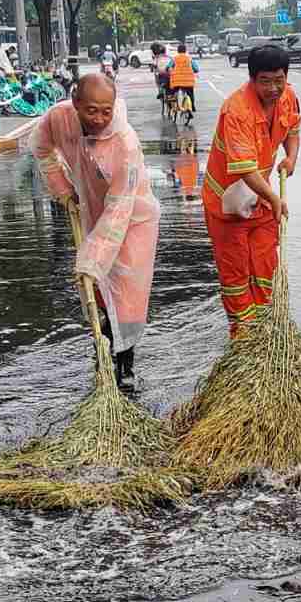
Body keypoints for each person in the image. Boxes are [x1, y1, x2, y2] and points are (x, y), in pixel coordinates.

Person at [31, 72, 161, 392]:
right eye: (91, 110)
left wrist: (91, 257)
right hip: (92, 211)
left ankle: (126, 369)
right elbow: (41, 146)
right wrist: (62, 189)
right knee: (98, 296)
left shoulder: (124, 143)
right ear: (75, 102)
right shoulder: (59, 118)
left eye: (107, 110)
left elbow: (120, 209)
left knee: (127, 299)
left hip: (133, 220)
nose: (100, 118)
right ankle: (103, 363)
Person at [200, 43, 300, 337]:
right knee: (236, 275)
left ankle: (265, 330)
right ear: (252, 79)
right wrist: (274, 197)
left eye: (279, 80)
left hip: (260, 200)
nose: (273, 88)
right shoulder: (236, 110)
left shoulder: (288, 97)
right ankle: (243, 338)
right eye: (266, 81)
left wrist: (291, 158)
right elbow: (244, 168)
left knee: (266, 266)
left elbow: (292, 132)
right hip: (227, 204)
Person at [168, 42, 199, 117]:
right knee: (190, 93)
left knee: (172, 93)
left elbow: (168, 66)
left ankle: (172, 106)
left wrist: (169, 70)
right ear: (185, 50)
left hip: (176, 81)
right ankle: (192, 107)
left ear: (178, 51)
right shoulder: (189, 58)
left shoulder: (174, 58)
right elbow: (196, 68)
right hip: (188, 81)